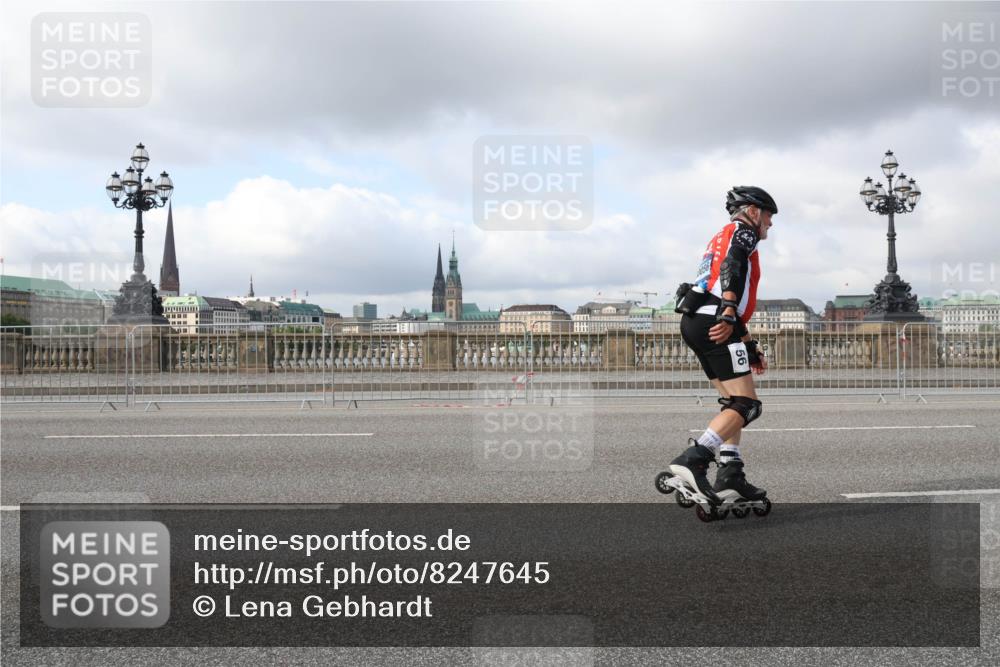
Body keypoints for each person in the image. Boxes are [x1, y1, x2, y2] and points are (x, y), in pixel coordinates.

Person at [668, 186, 777, 506]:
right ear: (753, 211)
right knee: (747, 405)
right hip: (716, 320)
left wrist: (748, 345)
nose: (770, 223)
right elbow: (734, 265)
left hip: (697, 320)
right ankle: (695, 458)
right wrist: (728, 310)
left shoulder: (721, 235)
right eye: (768, 215)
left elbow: (717, 283)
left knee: (732, 403)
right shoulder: (744, 232)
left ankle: (731, 472)